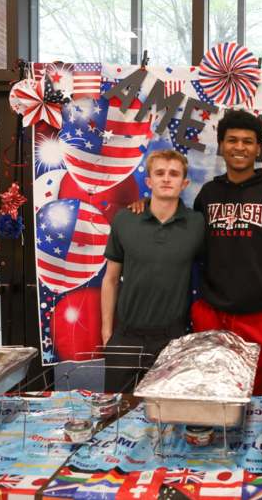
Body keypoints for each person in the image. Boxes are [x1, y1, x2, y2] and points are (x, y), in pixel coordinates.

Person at [191, 110, 262, 395]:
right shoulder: (207, 194)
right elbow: (195, 251)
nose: (239, 147)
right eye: (232, 140)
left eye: (248, 141)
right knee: (216, 397)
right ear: (221, 145)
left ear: (258, 148)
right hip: (214, 316)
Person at [101, 149, 204, 393]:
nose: (166, 179)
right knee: (117, 413)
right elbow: (111, 279)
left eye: (174, 174)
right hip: (126, 337)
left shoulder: (197, 224)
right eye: (159, 173)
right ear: (149, 181)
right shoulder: (125, 220)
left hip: (172, 338)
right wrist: (107, 334)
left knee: (165, 416)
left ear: (184, 183)